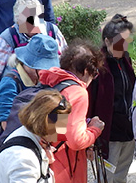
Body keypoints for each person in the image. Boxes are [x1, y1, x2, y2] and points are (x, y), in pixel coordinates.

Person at [41, 42, 106, 183]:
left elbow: (56, 130)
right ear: (86, 70)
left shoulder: (52, 82)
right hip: (65, 167)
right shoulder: (78, 92)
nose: (93, 79)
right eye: (95, 73)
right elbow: (76, 141)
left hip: (47, 158)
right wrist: (95, 130)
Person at [87, 15, 136, 183]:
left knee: (121, 176)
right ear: (107, 41)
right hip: (108, 135)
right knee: (106, 178)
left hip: (128, 131)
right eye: (120, 42)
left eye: (127, 41)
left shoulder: (125, 60)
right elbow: (90, 101)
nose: (124, 46)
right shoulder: (98, 65)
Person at [0, 0, 68, 92]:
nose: (34, 23)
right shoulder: (7, 39)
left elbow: (66, 65)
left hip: (51, 93)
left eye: (37, 17)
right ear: (18, 21)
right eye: (29, 20)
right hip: (18, 94)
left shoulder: (53, 32)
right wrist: (3, 97)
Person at [0, 89, 70, 183]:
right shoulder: (24, 158)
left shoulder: (24, 133)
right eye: (61, 125)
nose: (63, 131)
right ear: (45, 122)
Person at [0, 34, 61, 131]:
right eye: (44, 66)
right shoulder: (9, 83)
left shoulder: (45, 80)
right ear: (30, 63)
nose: (48, 70)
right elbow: (7, 125)